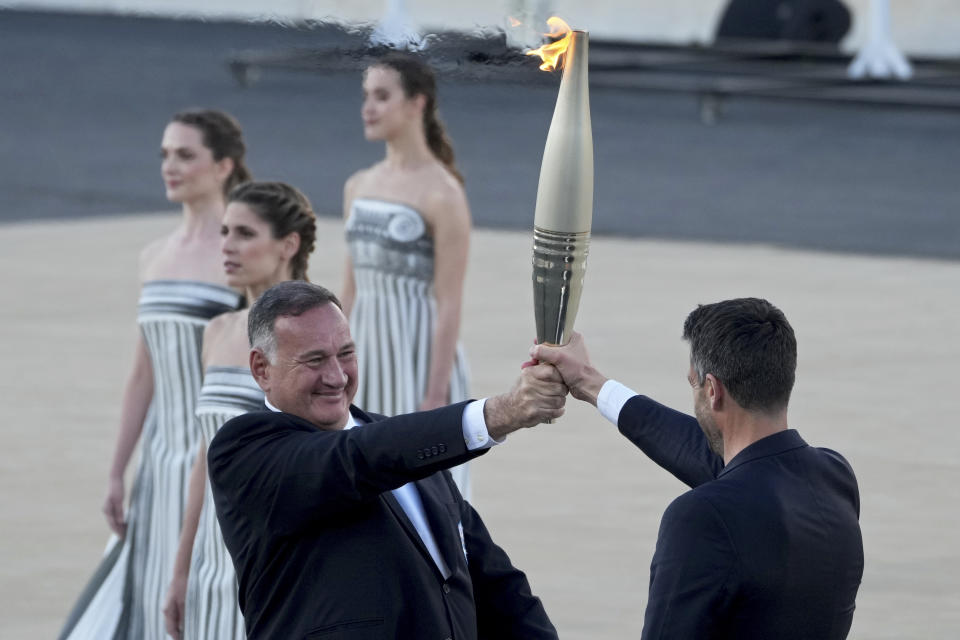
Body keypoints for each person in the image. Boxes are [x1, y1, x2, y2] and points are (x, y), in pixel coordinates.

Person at [208, 281, 562, 639]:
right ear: (261, 368)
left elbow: (496, 585)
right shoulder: (243, 452)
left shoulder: (408, 446)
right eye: (314, 360)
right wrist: (498, 414)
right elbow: (355, 459)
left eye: (345, 354)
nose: (336, 376)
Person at [533, 298, 864, 639]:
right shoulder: (834, 478)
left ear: (712, 390)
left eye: (694, 384)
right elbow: (715, 456)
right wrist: (589, 381)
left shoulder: (702, 517)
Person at [58, 109, 250, 640]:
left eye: (185, 155)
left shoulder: (238, 258)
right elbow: (142, 374)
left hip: (211, 460)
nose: (170, 166)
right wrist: (119, 470)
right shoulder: (153, 256)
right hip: (157, 465)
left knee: (199, 598)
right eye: (165, 154)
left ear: (224, 165)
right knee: (145, 596)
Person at [161, 182, 317, 640]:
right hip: (213, 556)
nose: (226, 246)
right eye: (225, 231)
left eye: (244, 234)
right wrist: (182, 567)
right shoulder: (217, 331)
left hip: (275, 558)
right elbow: (204, 457)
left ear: (288, 244)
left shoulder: (315, 330)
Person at [341, 52, 473, 497]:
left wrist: (435, 396)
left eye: (382, 96)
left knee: (421, 490)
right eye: (365, 96)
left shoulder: (443, 192)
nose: (368, 108)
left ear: (417, 103)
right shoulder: (358, 185)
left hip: (417, 354)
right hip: (364, 349)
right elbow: (350, 286)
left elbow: (449, 299)